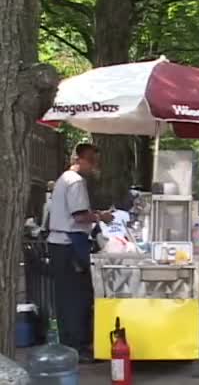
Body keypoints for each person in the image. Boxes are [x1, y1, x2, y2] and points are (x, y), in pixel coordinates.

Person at [47, 143, 113, 363]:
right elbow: (79, 216)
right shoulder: (75, 182)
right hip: (69, 244)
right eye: (93, 161)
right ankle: (78, 346)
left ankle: (71, 344)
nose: (95, 167)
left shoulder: (63, 179)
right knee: (79, 296)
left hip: (60, 243)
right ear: (81, 159)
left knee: (67, 297)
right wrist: (100, 217)